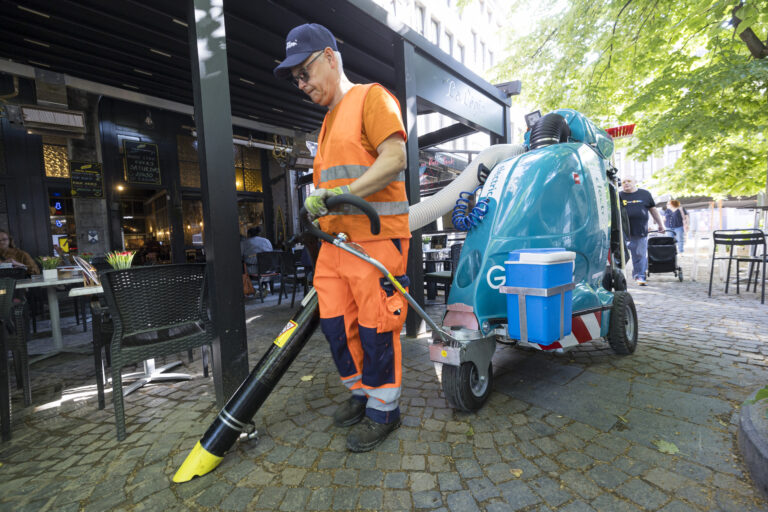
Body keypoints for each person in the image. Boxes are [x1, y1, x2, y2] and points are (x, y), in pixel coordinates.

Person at [274, 23, 409, 452]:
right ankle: (362, 393)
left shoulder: (371, 98)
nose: (301, 84)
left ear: (330, 58)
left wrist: (343, 196)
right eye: (295, 79)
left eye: (305, 72)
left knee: (375, 325)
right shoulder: (328, 124)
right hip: (336, 247)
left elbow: (396, 158)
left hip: (374, 239)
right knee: (335, 325)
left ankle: (385, 409)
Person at [619, 176, 665, 286]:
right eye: (623, 182)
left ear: (635, 182)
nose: (626, 183)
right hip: (622, 231)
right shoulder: (618, 195)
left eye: (629, 181)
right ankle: (619, 276)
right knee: (621, 255)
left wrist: (660, 225)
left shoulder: (645, 194)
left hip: (640, 230)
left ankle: (640, 275)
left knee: (639, 254)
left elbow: (653, 210)